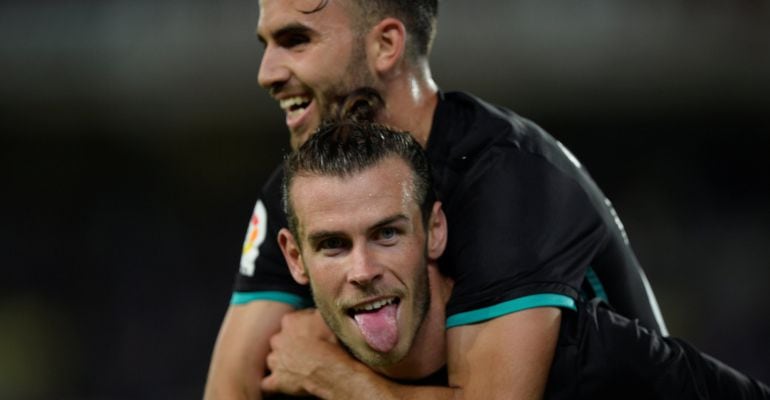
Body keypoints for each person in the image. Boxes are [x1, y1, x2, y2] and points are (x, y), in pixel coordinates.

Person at [204, 1, 667, 398]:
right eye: (265, 44)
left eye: (296, 40)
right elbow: (230, 387)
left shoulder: (506, 177)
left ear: (385, 45)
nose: (267, 73)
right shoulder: (309, 188)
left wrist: (335, 376)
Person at [262, 114, 770, 399]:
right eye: (333, 244)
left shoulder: (583, 359)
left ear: (435, 231)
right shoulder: (293, 373)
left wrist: (343, 383)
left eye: (387, 235)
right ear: (294, 257)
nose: (363, 271)